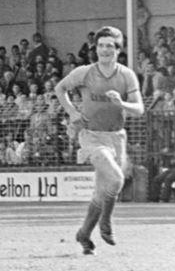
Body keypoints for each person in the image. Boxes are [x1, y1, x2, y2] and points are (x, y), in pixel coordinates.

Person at [54, 26, 144, 254]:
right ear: (96, 48)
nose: (104, 50)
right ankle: (106, 223)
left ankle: (84, 235)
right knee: (115, 179)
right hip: (91, 136)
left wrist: (121, 104)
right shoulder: (85, 72)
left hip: (117, 136)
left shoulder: (126, 75)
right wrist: (73, 113)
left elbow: (139, 109)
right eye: (101, 45)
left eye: (110, 46)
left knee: (102, 191)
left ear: (118, 50)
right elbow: (60, 88)